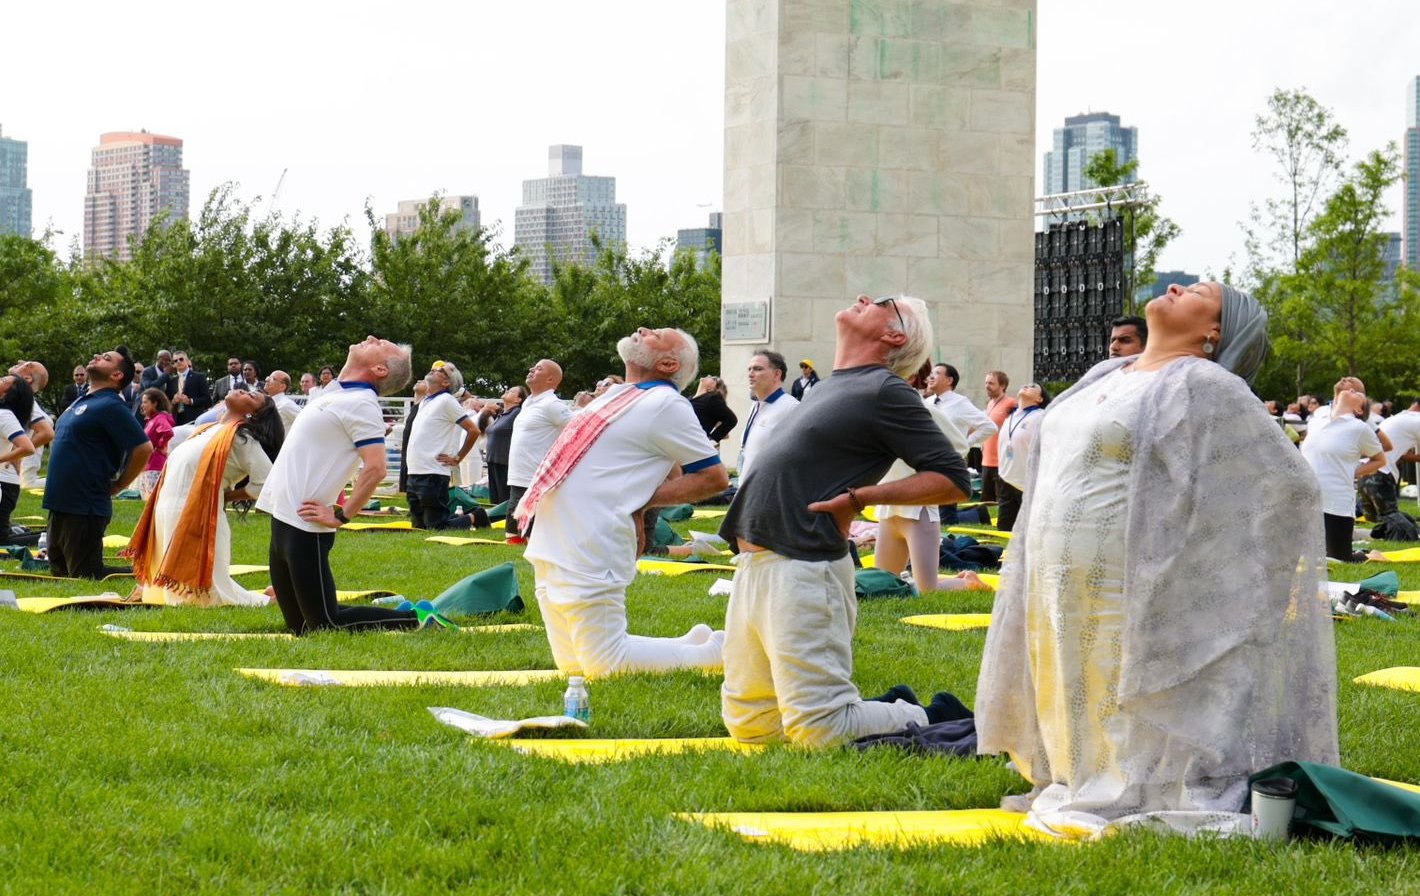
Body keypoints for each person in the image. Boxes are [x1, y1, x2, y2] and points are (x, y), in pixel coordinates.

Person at [976, 282, 1337, 838]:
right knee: (1071, 675)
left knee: (1115, 672)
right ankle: (1079, 777)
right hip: (1057, 567)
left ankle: (1139, 786)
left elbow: (1287, 484)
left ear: (1213, 333)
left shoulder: (1206, 383)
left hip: (1127, 570)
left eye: (1196, 292)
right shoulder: (1106, 375)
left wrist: (1204, 558)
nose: (1174, 287)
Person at [719, 294, 972, 748]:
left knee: (820, 731)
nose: (862, 299)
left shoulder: (885, 389)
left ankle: (926, 713)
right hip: (757, 566)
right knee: (751, 727)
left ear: (893, 335)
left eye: (881, 302)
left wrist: (860, 499)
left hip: (805, 565)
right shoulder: (834, 384)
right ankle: (881, 707)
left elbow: (953, 479)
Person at [518, 327, 730, 678]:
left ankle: (716, 653)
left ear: (667, 362)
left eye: (656, 335)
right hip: (554, 538)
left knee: (605, 666)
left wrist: (641, 502)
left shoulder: (666, 404)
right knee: (573, 666)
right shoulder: (617, 396)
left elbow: (714, 477)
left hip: (592, 538)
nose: (642, 329)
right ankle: (689, 644)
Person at [256, 336, 447, 633]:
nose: (370, 338)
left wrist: (341, 516)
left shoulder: (362, 405)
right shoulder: (337, 393)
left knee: (324, 625)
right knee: (301, 628)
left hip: (308, 524)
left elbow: (376, 467)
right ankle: (408, 612)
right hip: (284, 516)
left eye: (379, 343)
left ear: (380, 369)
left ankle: (419, 620)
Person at [126, 391, 285, 606]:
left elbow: (266, 482)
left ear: (252, 414)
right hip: (166, 507)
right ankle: (265, 598)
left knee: (204, 594)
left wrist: (225, 496)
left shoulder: (242, 439)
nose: (241, 390)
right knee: (172, 590)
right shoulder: (205, 430)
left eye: (252, 396)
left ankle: (267, 601)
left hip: (198, 514)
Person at [871, 361, 986, 595]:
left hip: (918, 509)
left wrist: (929, 466)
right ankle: (960, 578)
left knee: (928, 590)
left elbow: (960, 446)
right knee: (883, 584)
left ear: (911, 376)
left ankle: (971, 582)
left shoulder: (924, 411)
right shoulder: (880, 409)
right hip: (890, 508)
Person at [43, 347, 153, 578]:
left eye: (106, 359)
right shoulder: (81, 401)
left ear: (117, 375)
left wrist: (121, 484)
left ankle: (148, 572)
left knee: (85, 574)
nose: (96, 357)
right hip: (59, 501)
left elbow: (143, 447)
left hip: (85, 504)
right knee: (60, 572)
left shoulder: (111, 405)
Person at [1301, 388, 1384, 563]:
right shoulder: (1316, 420)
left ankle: (1366, 554)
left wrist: (1353, 471)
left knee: (1338, 559)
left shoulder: (1359, 428)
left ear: (1359, 410)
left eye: (1357, 393)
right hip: (1306, 499)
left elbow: (1380, 459)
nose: (1351, 389)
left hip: (1336, 503)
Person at [405, 361, 483, 531]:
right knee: (419, 526)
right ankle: (465, 517)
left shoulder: (446, 400)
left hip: (433, 472)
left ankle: (475, 516)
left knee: (436, 526)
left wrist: (458, 458)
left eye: (441, 371)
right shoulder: (426, 401)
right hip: (415, 471)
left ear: (446, 383)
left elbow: (473, 431)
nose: (434, 370)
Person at [506, 359, 572, 544]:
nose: (531, 370)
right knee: (514, 535)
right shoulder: (528, 403)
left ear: (551, 380)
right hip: (519, 476)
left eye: (538, 368)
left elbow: (576, 429)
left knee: (524, 536)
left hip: (535, 478)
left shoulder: (553, 405)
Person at [738, 350, 799, 481]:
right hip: (747, 491)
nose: (750, 374)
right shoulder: (755, 406)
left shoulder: (791, 407)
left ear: (777, 374)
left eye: (758, 369)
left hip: (769, 493)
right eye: (749, 369)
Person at [996, 382, 1048, 532]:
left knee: (1029, 527)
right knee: (1004, 526)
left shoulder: (1041, 416)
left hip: (1028, 479)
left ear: (1040, 399)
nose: (1026, 386)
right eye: (1024, 385)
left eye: (1032, 387)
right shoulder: (1010, 416)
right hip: (1006, 477)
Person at [0, 375, 37, 541]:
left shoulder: (4, 415)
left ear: (8, 394)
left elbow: (27, 447)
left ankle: (44, 538)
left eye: (3, 381)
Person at [482, 385, 527, 505]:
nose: (507, 391)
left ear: (518, 400)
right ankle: (496, 520)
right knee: (495, 498)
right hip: (493, 460)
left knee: (504, 497)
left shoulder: (518, 413)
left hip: (505, 461)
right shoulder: (503, 415)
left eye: (512, 391)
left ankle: (505, 520)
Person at [979, 370, 1016, 505]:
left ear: (1003, 386)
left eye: (991, 383)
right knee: (986, 501)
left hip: (1002, 462)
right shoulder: (989, 403)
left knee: (1002, 502)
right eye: (986, 383)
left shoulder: (1011, 403)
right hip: (986, 461)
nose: (987, 386)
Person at [137, 388, 176, 499]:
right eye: (142, 402)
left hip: (156, 466)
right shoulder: (152, 420)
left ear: (155, 403)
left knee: (152, 500)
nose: (142, 405)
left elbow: (168, 432)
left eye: (145, 402)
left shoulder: (160, 418)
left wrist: (160, 446)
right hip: (149, 465)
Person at [689, 375, 738, 445]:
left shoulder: (712, 399)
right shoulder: (690, 399)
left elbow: (731, 419)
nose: (709, 376)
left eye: (714, 379)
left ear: (711, 389)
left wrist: (712, 440)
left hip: (694, 445)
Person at [167, 351, 211, 425]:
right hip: (176, 420)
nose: (178, 362)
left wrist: (190, 401)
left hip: (194, 419)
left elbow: (207, 400)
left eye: (181, 359)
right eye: (175, 361)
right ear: (174, 364)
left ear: (187, 361)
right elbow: (167, 400)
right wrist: (173, 401)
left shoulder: (199, 377)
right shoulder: (171, 381)